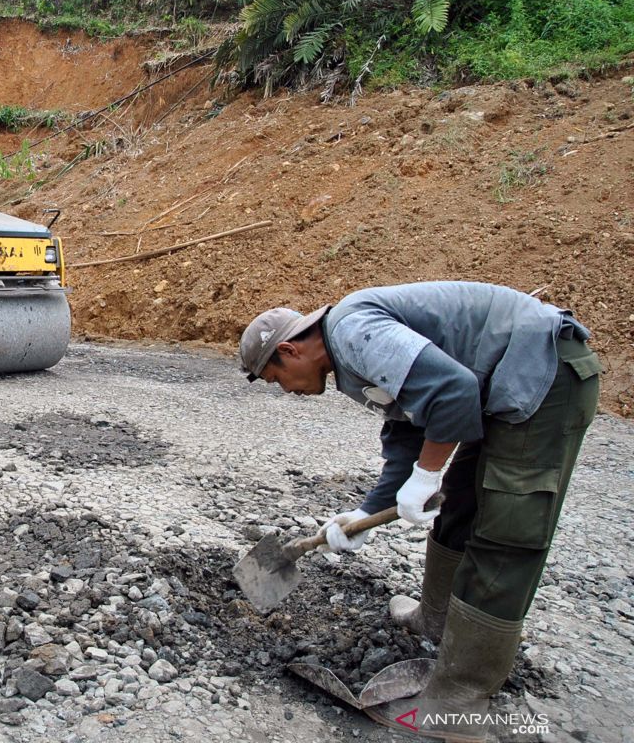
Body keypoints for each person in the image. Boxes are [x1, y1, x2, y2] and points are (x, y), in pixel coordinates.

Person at [239, 281, 600, 742]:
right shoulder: (348, 355)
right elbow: (409, 428)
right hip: (503, 386)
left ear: (289, 350)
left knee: (506, 528)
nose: (284, 390)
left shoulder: (352, 332)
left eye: (276, 380)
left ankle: (460, 698)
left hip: (544, 378)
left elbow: (452, 392)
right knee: (460, 504)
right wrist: (365, 512)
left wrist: (426, 475)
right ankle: (435, 621)